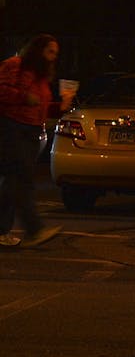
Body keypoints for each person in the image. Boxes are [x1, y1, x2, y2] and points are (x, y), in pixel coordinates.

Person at [0, 34, 73, 248]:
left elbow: (38, 106)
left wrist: (59, 107)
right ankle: (32, 230)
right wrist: (23, 98)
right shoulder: (16, 65)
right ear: (38, 49)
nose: (52, 57)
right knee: (20, 179)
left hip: (30, 130)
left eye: (55, 54)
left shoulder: (41, 77)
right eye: (49, 51)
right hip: (14, 127)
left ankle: (6, 230)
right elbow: (3, 90)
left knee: (16, 181)